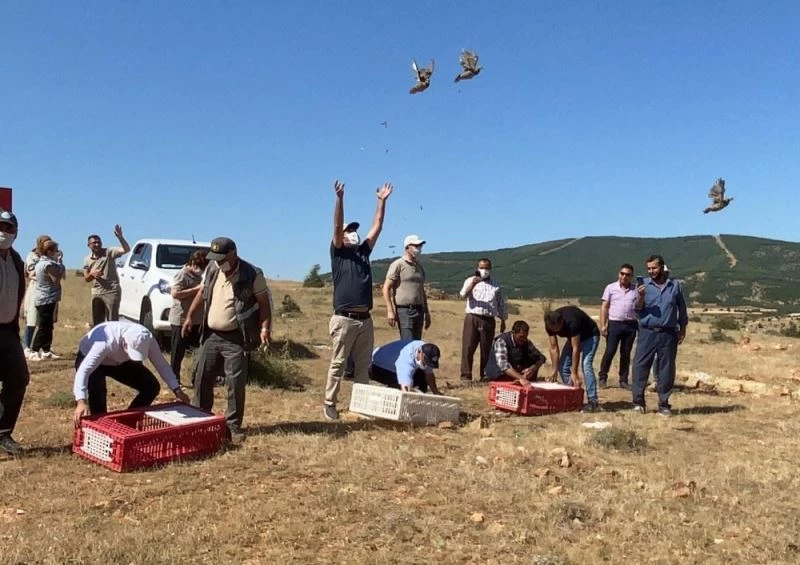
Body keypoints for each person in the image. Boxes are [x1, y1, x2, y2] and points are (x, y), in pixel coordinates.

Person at [184, 237, 272, 435]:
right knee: (201, 378)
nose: (217, 261)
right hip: (211, 335)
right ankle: (200, 420)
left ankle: (232, 427)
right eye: (215, 257)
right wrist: (190, 316)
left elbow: (264, 304)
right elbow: (202, 294)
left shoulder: (252, 274)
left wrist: (265, 328)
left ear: (233, 253)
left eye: (221, 257)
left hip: (236, 338)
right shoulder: (213, 269)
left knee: (234, 384)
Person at [323, 179, 393, 421]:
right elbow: (335, 225)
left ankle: (360, 405)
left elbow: (378, 225)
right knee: (339, 364)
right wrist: (340, 199)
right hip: (344, 319)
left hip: (365, 319)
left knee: (363, 367)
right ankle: (329, 403)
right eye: (349, 231)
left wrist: (381, 202)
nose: (353, 234)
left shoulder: (364, 252)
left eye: (354, 231)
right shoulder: (338, 252)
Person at [72, 321, 191, 425]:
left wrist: (177, 389)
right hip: (91, 360)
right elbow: (84, 370)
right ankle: (100, 432)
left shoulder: (147, 338)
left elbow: (162, 365)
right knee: (98, 398)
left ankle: (127, 422)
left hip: (118, 361)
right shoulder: (106, 342)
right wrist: (81, 401)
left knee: (151, 387)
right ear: (124, 343)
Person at [631, 255, 688, 416]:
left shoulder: (675, 286)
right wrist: (641, 297)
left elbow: (682, 310)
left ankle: (664, 403)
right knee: (640, 367)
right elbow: (637, 309)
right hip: (647, 332)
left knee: (666, 369)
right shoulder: (643, 286)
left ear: (662, 267)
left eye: (654, 268)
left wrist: (682, 329)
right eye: (649, 268)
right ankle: (638, 402)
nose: (651, 271)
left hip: (668, 333)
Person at [0, 209, 29, 455]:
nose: (5, 232)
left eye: (9, 228)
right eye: (1, 226)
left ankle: (3, 433)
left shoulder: (17, 260)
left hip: (8, 329)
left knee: (19, 377)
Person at [459, 258, 508, 383]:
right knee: (468, 347)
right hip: (473, 316)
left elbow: (500, 303)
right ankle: (466, 375)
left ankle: (485, 374)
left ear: (490, 269)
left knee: (486, 348)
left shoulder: (495, 284)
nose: (484, 270)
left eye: (486, 268)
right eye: (481, 267)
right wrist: (473, 284)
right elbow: (463, 294)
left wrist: (503, 319)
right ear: (477, 268)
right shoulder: (470, 280)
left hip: (488, 319)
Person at [544, 305, 602, 412]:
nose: (555, 331)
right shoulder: (549, 324)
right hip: (573, 338)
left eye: (557, 328)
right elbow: (554, 348)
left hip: (590, 336)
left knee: (586, 364)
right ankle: (572, 396)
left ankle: (593, 401)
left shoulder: (572, 321)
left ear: (561, 322)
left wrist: (574, 372)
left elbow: (576, 348)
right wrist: (554, 370)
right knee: (562, 366)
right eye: (553, 329)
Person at [168, 250, 208, 385]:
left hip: (197, 320)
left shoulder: (202, 276)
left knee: (200, 350)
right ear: (192, 263)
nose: (200, 270)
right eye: (199, 267)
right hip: (180, 319)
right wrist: (196, 289)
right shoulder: (182, 274)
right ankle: (174, 380)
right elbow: (175, 294)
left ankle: (196, 378)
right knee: (178, 353)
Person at [598, 264, 638, 389]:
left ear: (631, 276)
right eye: (622, 273)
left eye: (627, 274)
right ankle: (603, 377)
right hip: (614, 324)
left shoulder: (636, 289)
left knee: (626, 354)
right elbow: (604, 307)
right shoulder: (611, 288)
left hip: (630, 325)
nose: (624, 276)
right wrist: (603, 325)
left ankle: (623, 380)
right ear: (619, 274)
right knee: (610, 351)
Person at [382, 234, 430, 340]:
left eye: (419, 246)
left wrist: (426, 312)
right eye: (416, 245)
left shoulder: (419, 267)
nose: (419, 248)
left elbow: (421, 290)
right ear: (407, 247)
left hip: (419, 309)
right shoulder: (398, 265)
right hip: (404, 310)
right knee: (407, 342)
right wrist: (390, 311)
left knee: (417, 343)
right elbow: (386, 288)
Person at [83, 225, 131, 326]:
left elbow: (126, 249)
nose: (97, 244)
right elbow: (86, 278)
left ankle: (113, 340)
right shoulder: (87, 259)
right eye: (94, 243)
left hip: (111, 291)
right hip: (97, 291)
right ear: (89, 245)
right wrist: (92, 274)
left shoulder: (109, 252)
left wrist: (120, 237)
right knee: (97, 321)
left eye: (98, 242)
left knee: (112, 320)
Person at [30, 239, 66, 360]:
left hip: (47, 297)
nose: (57, 253)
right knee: (44, 326)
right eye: (56, 250)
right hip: (46, 298)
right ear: (49, 251)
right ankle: (34, 350)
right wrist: (60, 266)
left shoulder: (42, 262)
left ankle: (46, 350)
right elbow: (55, 279)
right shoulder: (48, 264)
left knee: (48, 325)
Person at [483, 321, 546, 386]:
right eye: (521, 337)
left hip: (516, 374)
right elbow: (503, 365)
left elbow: (541, 358)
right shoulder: (502, 341)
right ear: (513, 333)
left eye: (525, 337)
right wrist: (521, 378)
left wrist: (533, 368)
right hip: (498, 374)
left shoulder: (525, 341)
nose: (524, 339)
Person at [370, 339, 442, 395]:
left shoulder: (425, 350)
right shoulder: (406, 361)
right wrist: (409, 394)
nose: (427, 365)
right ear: (421, 353)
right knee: (402, 385)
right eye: (426, 362)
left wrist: (435, 392)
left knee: (422, 378)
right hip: (376, 366)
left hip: (392, 362)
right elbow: (406, 390)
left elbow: (429, 374)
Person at [22, 234, 51, 358]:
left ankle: (44, 348)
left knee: (45, 321)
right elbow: (31, 272)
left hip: (49, 290)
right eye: (46, 242)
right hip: (36, 289)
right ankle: (27, 347)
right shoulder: (32, 255)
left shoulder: (51, 255)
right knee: (32, 320)